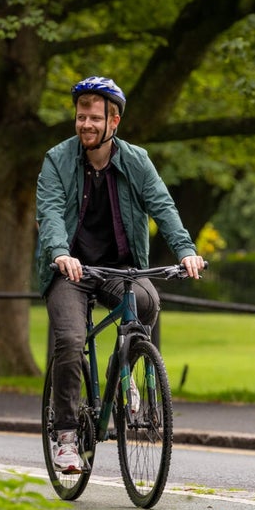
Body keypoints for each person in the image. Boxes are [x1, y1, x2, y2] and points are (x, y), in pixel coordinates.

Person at [35, 76, 206, 474]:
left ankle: (121, 368)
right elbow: (50, 213)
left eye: (94, 118)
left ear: (114, 123)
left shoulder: (136, 160)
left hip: (119, 268)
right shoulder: (57, 160)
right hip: (71, 270)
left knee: (147, 302)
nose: (86, 125)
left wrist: (186, 251)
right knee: (71, 339)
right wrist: (60, 253)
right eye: (81, 117)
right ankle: (65, 436)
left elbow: (162, 205)